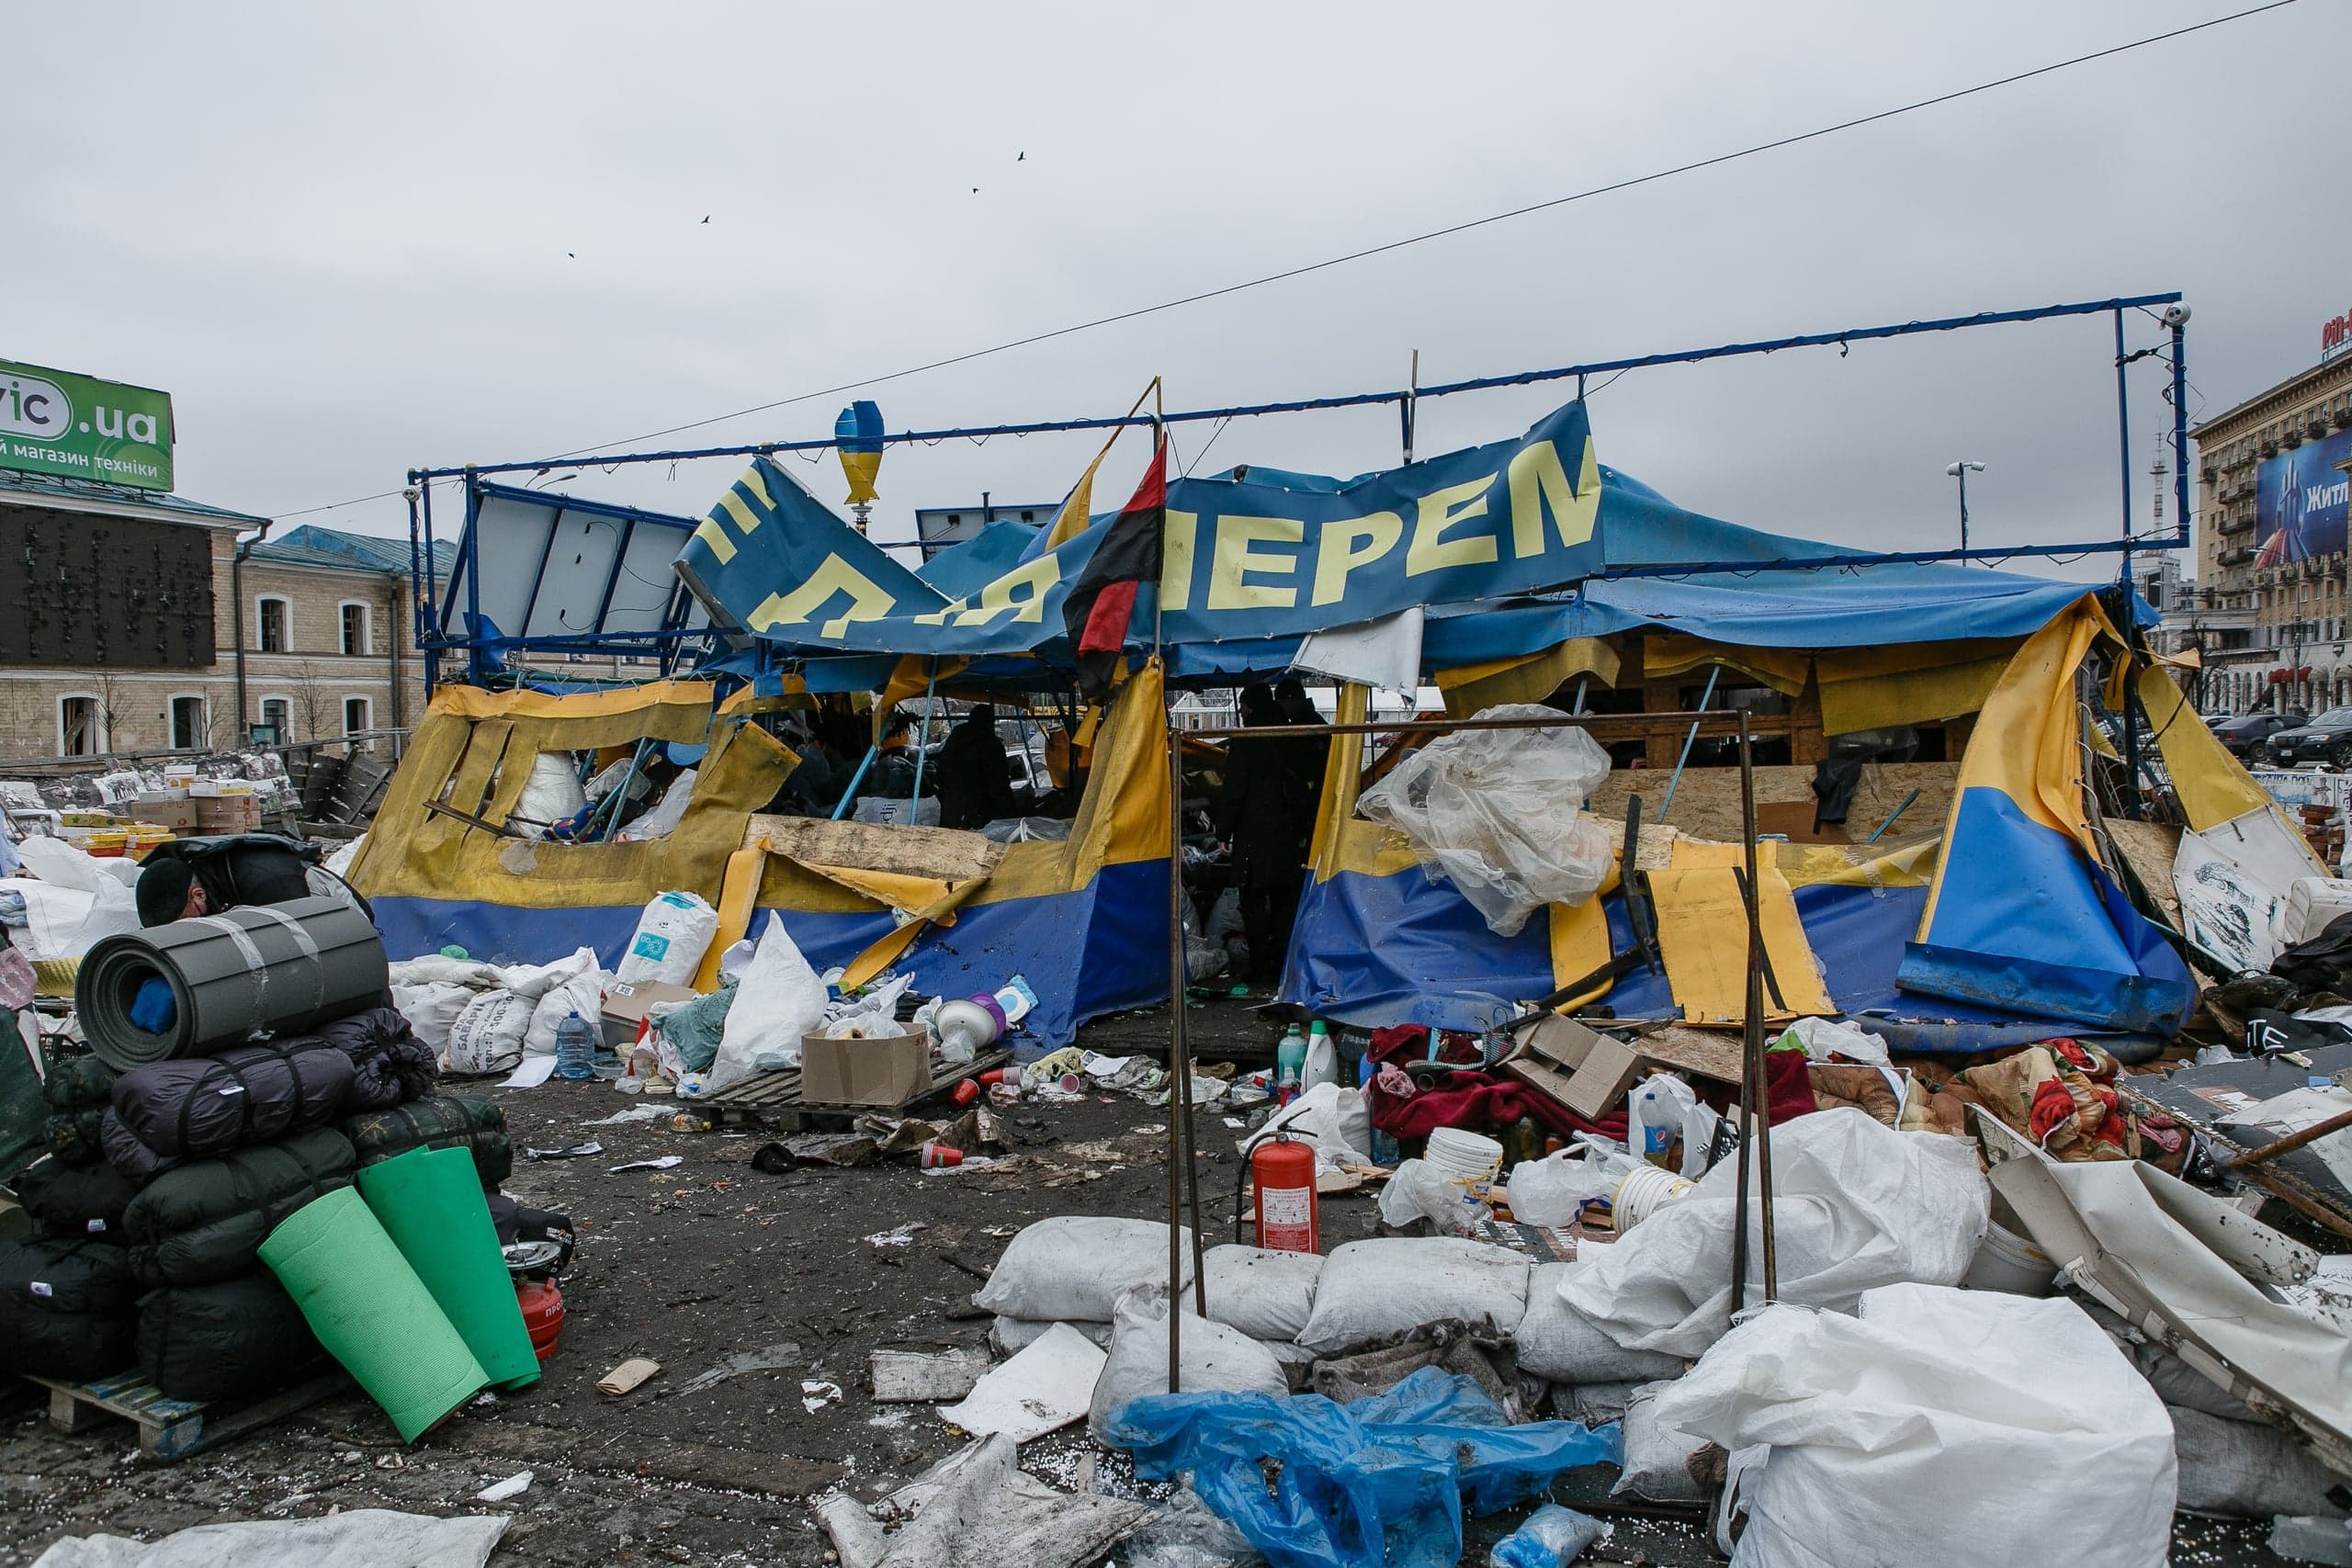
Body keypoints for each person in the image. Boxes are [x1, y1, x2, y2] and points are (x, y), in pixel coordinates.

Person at [1216, 684, 1316, 990]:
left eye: (1244, 708)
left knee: (1254, 904)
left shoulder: (1247, 740)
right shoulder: (1292, 736)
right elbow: (1308, 785)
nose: (1242, 713)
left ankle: (1261, 970)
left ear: (1251, 708)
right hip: (1289, 836)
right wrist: (1303, 829)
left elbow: (1235, 789)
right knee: (1286, 904)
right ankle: (1286, 967)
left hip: (1253, 837)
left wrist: (1223, 830)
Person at [934, 704, 1016, 830]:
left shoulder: (955, 739)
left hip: (951, 809)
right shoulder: (990, 744)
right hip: (979, 814)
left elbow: (940, 772)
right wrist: (1011, 813)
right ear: (989, 722)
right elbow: (998, 783)